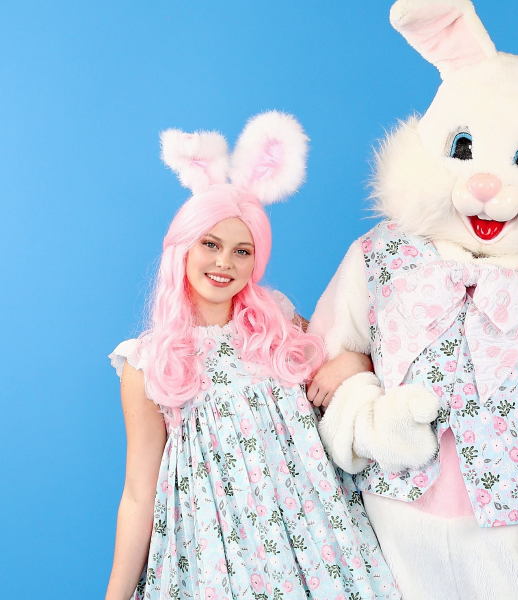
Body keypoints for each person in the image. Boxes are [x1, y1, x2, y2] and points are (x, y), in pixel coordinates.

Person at [105, 113, 399, 600]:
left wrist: (355, 364)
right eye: (211, 244)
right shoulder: (148, 362)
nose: (224, 262)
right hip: (218, 559)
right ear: (183, 247)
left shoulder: (278, 324)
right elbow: (139, 493)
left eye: (242, 251)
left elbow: (358, 376)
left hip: (315, 545)